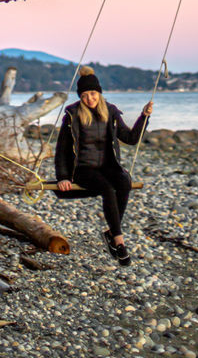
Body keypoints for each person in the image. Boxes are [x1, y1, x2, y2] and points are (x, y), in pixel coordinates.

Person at [54, 65, 153, 266]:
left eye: (93, 94)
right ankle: (119, 241)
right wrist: (63, 177)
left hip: (107, 165)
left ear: (99, 93)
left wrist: (144, 117)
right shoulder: (72, 115)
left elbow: (131, 138)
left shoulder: (111, 112)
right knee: (107, 188)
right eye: (84, 96)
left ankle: (110, 232)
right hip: (82, 169)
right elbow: (62, 150)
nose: (90, 99)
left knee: (124, 181)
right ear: (80, 97)